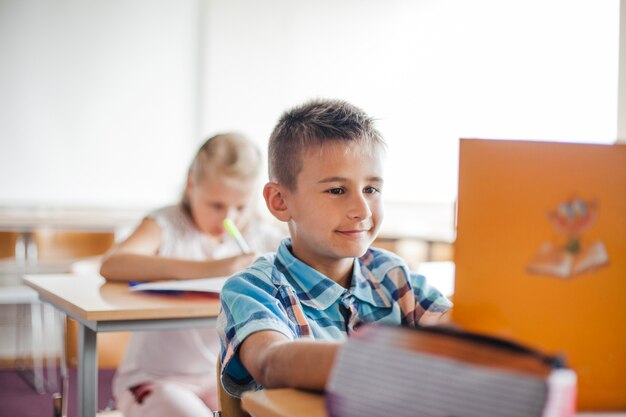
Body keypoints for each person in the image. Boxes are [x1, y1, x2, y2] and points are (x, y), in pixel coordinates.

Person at [217, 99, 453, 398]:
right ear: (280, 201)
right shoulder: (254, 289)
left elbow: (458, 331)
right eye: (337, 190)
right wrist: (384, 362)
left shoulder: (393, 276)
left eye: (371, 189)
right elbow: (270, 361)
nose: (362, 210)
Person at [100, 132, 285, 417]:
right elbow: (112, 264)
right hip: (156, 379)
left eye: (240, 207)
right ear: (191, 186)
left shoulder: (262, 236)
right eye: (216, 206)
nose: (230, 219)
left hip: (223, 379)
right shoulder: (166, 224)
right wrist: (214, 269)